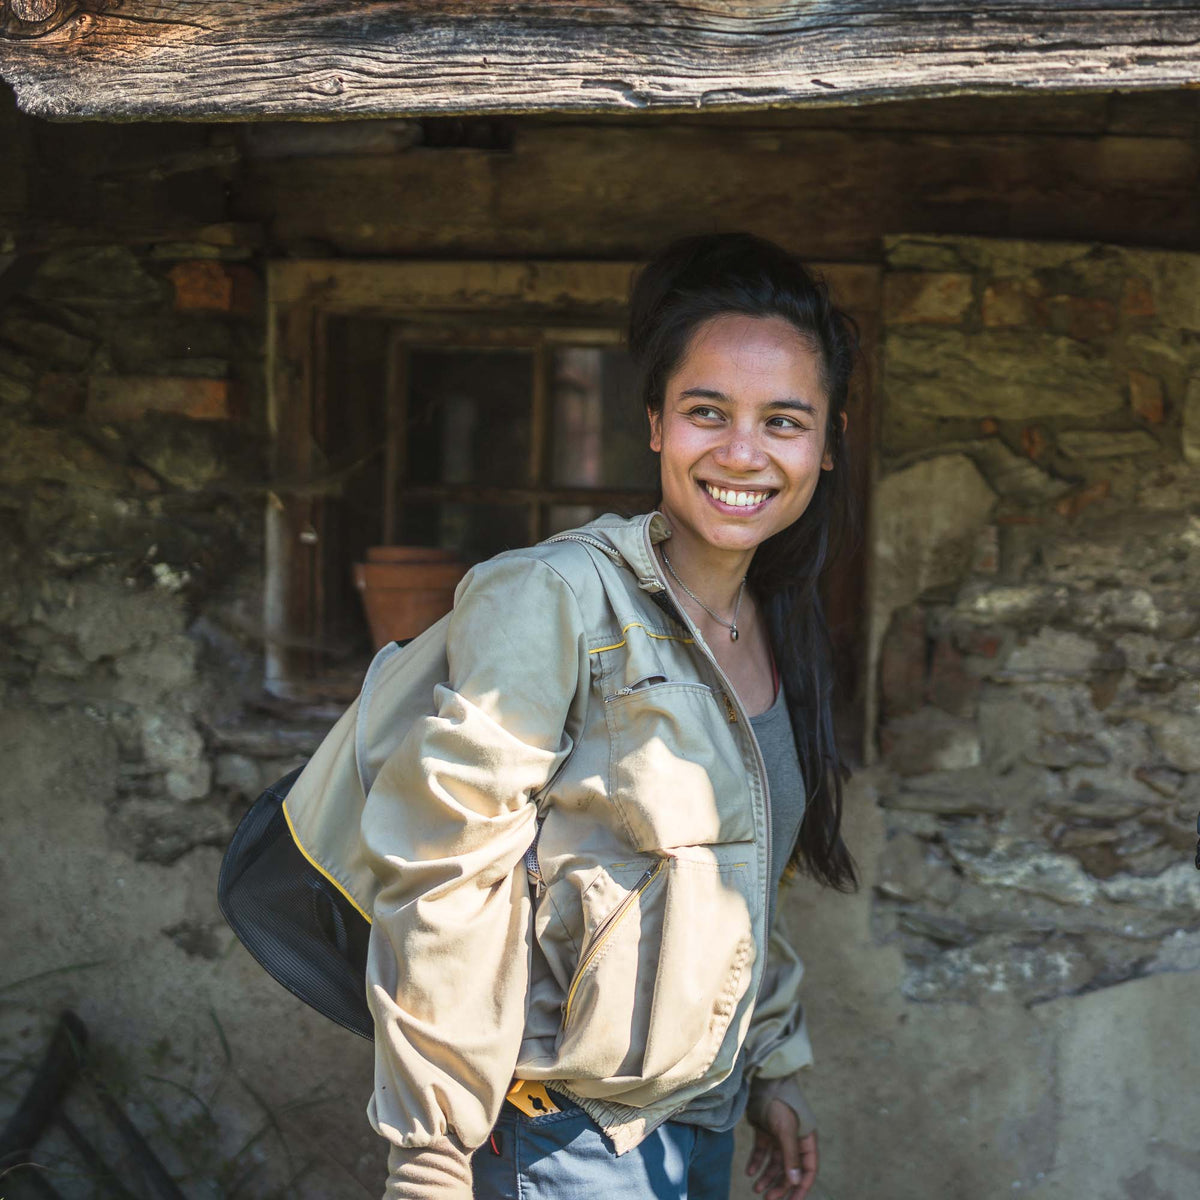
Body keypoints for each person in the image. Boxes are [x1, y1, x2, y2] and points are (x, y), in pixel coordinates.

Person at [359, 232, 859, 1200]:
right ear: (655, 426)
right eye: (707, 412)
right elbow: (444, 876)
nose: (743, 452)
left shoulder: (774, 624)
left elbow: (738, 886)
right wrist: (428, 1159)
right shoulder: (554, 599)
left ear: (828, 445)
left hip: (699, 1132)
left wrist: (772, 1067)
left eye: (784, 421)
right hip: (563, 1146)